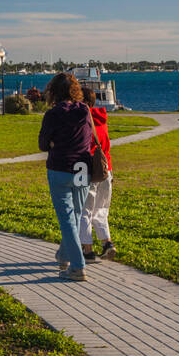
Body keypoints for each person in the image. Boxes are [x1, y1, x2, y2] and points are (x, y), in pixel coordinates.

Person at [38, 72, 93, 280]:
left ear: (54, 91)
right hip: (81, 168)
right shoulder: (85, 111)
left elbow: (43, 144)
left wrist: (54, 144)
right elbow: (87, 138)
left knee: (67, 219)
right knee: (76, 215)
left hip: (60, 168)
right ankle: (63, 255)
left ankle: (78, 266)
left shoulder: (52, 114)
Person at [79, 87, 116, 260]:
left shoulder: (84, 120)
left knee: (84, 210)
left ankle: (87, 249)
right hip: (106, 169)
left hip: (88, 170)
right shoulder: (102, 118)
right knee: (101, 209)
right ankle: (107, 242)